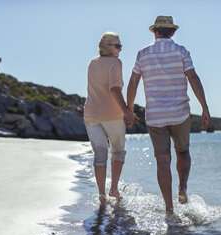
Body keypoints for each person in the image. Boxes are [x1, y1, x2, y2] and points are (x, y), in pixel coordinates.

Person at [125, 16, 211, 214]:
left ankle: (169, 209)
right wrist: (205, 107)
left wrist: (130, 110)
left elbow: (132, 84)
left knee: (162, 161)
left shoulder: (143, 53)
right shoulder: (181, 51)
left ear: (155, 32)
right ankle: (182, 188)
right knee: (183, 151)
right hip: (179, 113)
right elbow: (193, 78)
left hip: (155, 116)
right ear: (172, 32)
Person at [84, 32, 136, 205]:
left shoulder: (92, 63)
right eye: (117, 46)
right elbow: (115, 89)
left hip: (91, 115)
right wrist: (127, 112)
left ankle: (101, 195)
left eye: (121, 46)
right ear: (107, 47)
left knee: (100, 154)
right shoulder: (116, 62)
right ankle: (113, 188)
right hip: (112, 115)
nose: (120, 49)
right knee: (118, 152)